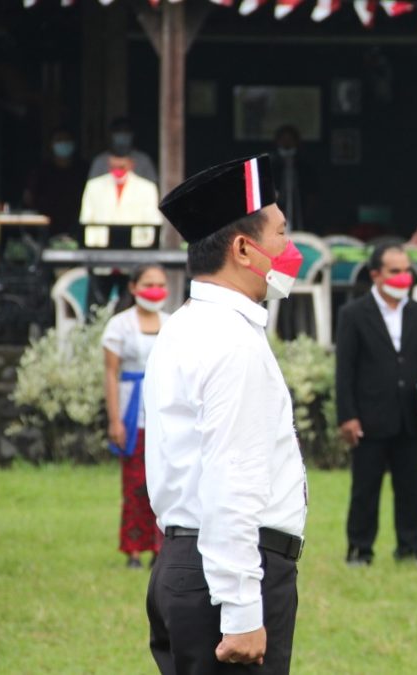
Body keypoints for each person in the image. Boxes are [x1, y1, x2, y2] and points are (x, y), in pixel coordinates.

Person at [145, 154, 307, 673]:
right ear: (243, 248)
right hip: (230, 573)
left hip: (187, 564)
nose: (290, 249)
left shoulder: (185, 324)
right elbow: (230, 478)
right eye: (281, 234)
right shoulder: (231, 342)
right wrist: (240, 608)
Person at [336, 243, 417, 566]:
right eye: (394, 271)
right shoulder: (353, 314)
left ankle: (409, 549)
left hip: (410, 417)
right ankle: (359, 549)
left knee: (411, 490)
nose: (402, 277)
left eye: (406, 270)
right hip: (369, 417)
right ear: (376, 275)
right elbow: (345, 370)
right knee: (365, 490)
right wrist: (348, 416)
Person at [102, 264, 170, 570]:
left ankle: (162, 547)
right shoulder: (120, 325)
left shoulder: (172, 324)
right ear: (133, 287)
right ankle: (133, 549)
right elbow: (110, 373)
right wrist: (114, 419)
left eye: (160, 284)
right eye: (148, 283)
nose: (154, 289)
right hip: (132, 412)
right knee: (135, 484)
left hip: (166, 414)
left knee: (166, 484)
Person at [79, 153, 162, 248]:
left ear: (131, 164)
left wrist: (149, 245)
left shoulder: (147, 187)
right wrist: (90, 244)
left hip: (137, 245)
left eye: (121, 167)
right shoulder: (94, 185)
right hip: (100, 245)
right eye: (113, 167)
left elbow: (152, 218)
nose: (117, 170)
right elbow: (86, 216)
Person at [24, 127, 88, 239]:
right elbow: (29, 197)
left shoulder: (83, 170)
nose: (63, 143)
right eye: (59, 140)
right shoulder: (41, 171)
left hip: (77, 226)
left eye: (66, 140)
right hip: (46, 227)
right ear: (51, 144)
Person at [269, 124, 316, 231]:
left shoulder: (305, 167)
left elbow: (311, 192)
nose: (287, 143)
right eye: (283, 139)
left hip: (300, 212)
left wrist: (309, 213)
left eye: (290, 139)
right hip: (276, 209)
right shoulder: (271, 165)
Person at [88, 117, 158, 184]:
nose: (122, 135)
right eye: (118, 131)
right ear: (110, 134)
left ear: (132, 134)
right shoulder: (100, 161)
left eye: (126, 131)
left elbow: (152, 186)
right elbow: (92, 186)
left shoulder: (144, 160)